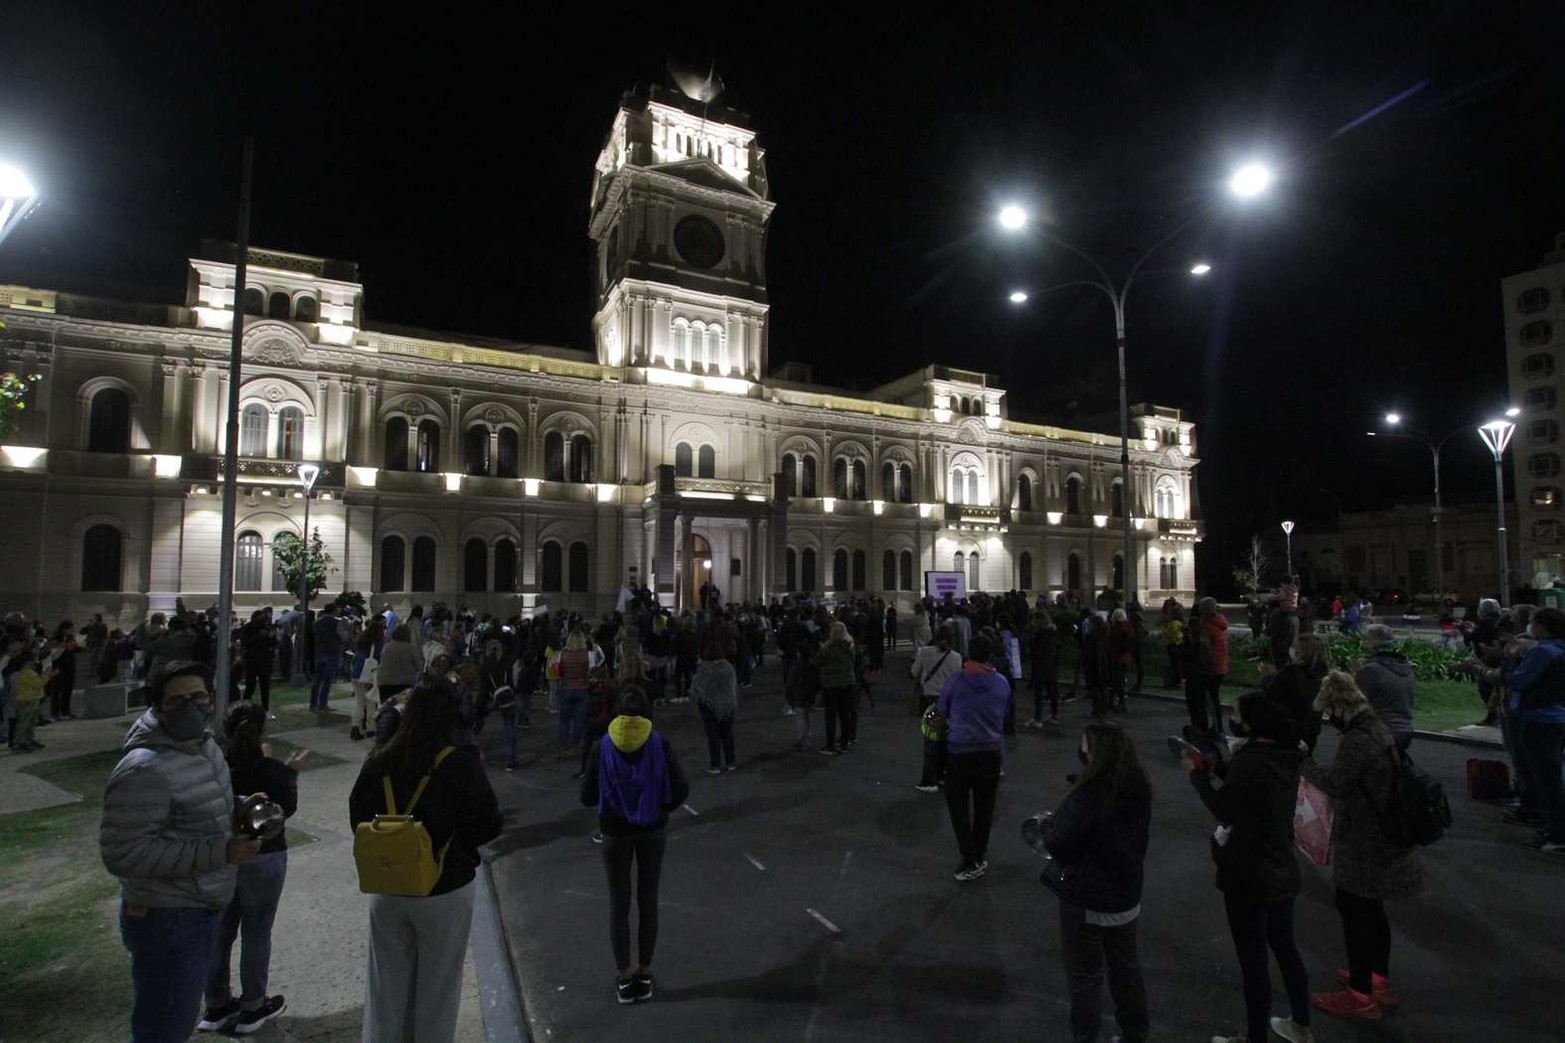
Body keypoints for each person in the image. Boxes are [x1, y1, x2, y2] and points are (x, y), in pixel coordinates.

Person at [100, 661, 262, 1043]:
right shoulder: (143, 769)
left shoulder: (202, 746)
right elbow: (124, 854)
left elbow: (192, 806)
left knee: (177, 1017)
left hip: (199, 905)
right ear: (156, 705)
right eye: (177, 701)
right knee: (164, 1028)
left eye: (198, 697)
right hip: (166, 916)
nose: (191, 707)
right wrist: (220, 851)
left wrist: (239, 805)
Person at [349, 679, 502, 1043]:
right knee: (438, 988)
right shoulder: (460, 764)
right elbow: (487, 824)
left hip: (389, 887)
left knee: (385, 984)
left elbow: (358, 818)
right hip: (444, 887)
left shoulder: (380, 760)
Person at [1186, 692, 1315, 1043]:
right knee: (1285, 947)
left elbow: (1225, 807)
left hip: (1248, 872)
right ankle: (1301, 1023)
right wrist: (1223, 767)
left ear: (1251, 722)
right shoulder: (1285, 754)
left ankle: (1255, 1037)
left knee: (1253, 961)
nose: (1232, 719)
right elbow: (1257, 793)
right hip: (1281, 866)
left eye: (1237, 714)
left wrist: (1198, 777)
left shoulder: (1252, 761)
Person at [1300, 671, 1425, 1020]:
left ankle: (1360, 995)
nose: (1328, 720)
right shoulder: (1377, 728)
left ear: (1339, 707)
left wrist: (1304, 762)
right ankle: (1377, 978)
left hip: (1364, 839)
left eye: (1328, 712)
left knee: (1355, 912)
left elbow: (1336, 784)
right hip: (1382, 834)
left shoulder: (1357, 739)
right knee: (1372, 910)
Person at [1034, 721, 1152, 1043]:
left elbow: (1061, 843)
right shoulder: (1137, 784)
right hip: (1126, 894)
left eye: (1085, 745)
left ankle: (1085, 1037)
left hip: (1088, 897)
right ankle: (1135, 1033)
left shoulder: (1090, 794)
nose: (1081, 750)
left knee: (1085, 977)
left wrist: (1048, 828)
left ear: (1095, 754)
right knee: (1126, 967)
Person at [579, 688, 690, 1004]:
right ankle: (645, 971)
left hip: (615, 832)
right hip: (652, 829)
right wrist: (660, 808)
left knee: (619, 902)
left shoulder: (603, 747)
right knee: (648, 898)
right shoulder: (659, 742)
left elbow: (587, 796)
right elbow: (681, 789)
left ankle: (625, 977)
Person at [199, 701, 302, 1035]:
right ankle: (252, 1006)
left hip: (223, 856)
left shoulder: (214, 769)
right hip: (265, 856)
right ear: (261, 732)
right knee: (257, 931)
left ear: (226, 732)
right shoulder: (270, 769)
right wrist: (289, 771)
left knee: (220, 931)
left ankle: (215, 1004)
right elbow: (285, 808)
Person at [935, 633, 1010, 880]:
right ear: (990, 655)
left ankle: (968, 857)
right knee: (985, 806)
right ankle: (979, 853)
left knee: (957, 806)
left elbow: (941, 712)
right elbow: (1004, 713)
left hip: (960, 752)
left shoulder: (956, 681)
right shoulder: (1001, 683)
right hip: (990, 752)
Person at [1497, 606, 1565, 854]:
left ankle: (1556, 832)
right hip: (1558, 716)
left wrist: (1512, 658)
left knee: (1547, 779)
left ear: (1542, 626)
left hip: (1539, 719)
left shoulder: (1544, 652)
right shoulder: (1559, 650)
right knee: (1553, 775)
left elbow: (1518, 681)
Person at [912, 625, 963, 791]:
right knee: (945, 740)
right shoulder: (956, 657)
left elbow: (914, 672)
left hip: (930, 699)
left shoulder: (925, 652)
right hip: (949, 700)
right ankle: (943, 775)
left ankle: (929, 780)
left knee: (931, 741)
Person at [1263, 633, 1329, 753]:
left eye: (1296, 648)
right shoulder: (1323, 672)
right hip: (1312, 727)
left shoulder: (1291, 672)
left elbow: (1271, 694)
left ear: (1303, 652)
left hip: (1289, 726)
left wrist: (1268, 678)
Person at [1354, 624, 1415, 750]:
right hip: (1405, 730)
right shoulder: (1407, 668)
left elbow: (1357, 703)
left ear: (1372, 642)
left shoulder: (1371, 670)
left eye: (1366, 640)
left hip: (1379, 731)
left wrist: (1355, 675)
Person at [690, 638, 739, 773]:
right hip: (728, 704)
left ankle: (715, 764)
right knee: (727, 734)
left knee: (713, 736)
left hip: (709, 707)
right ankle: (731, 762)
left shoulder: (704, 668)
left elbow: (695, 689)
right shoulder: (728, 667)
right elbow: (733, 686)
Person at [814, 622, 858, 755]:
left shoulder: (829, 647)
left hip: (831, 683)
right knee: (845, 714)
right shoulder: (850, 645)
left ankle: (830, 745)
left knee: (831, 715)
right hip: (848, 681)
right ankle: (844, 743)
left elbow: (818, 662)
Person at [556, 629, 594, 757]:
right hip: (582, 689)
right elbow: (589, 672)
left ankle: (562, 747)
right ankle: (576, 746)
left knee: (564, 720)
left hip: (566, 688)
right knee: (579, 720)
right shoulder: (587, 655)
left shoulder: (563, 654)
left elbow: (559, 671)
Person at [1024, 610, 1063, 729]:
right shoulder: (1053, 633)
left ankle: (1038, 718)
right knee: (1052, 691)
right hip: (1051, 666)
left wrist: (1030, 651)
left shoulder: (1040, 635)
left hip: (1041, 666)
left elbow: (1037, 652)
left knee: (1039, 693)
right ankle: (1054, 715)